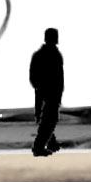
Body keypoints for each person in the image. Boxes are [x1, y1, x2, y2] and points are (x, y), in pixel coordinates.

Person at [28, 27, 67, 157]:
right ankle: (39, 146)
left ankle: (51, 142)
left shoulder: (39, 54)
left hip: (42, 92)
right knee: (50, 119)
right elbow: (59, 77)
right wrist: (58, 91)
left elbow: (33, 75)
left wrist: (38, 88)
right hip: (52, 93)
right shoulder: (55, 55)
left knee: (45, 118)